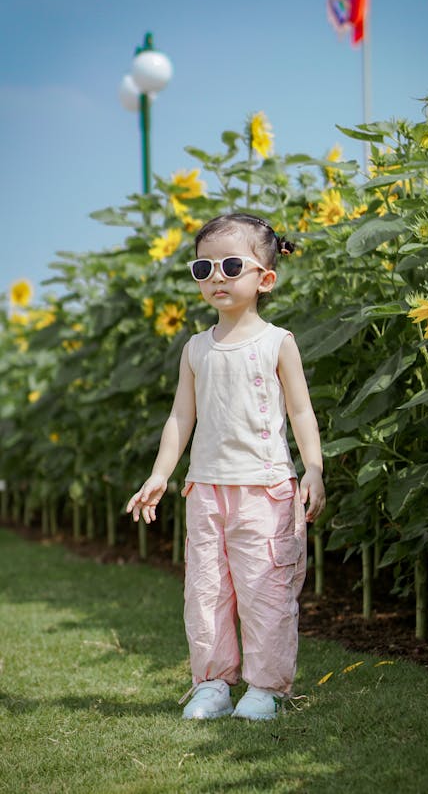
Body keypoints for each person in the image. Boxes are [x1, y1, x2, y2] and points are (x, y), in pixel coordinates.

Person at [126, 213, 325, 721]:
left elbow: (301, 411)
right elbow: (180, 416)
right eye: (203, 267)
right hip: (206, 491)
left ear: (265, 279)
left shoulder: (278, 342)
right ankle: (212, 682)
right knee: (207, 591)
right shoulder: (196, 349)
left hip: (265, 489)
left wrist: (315, 469)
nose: (216, 275)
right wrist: (160, 474)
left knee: (265, 590)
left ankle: (266, 687)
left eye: (231, 265)